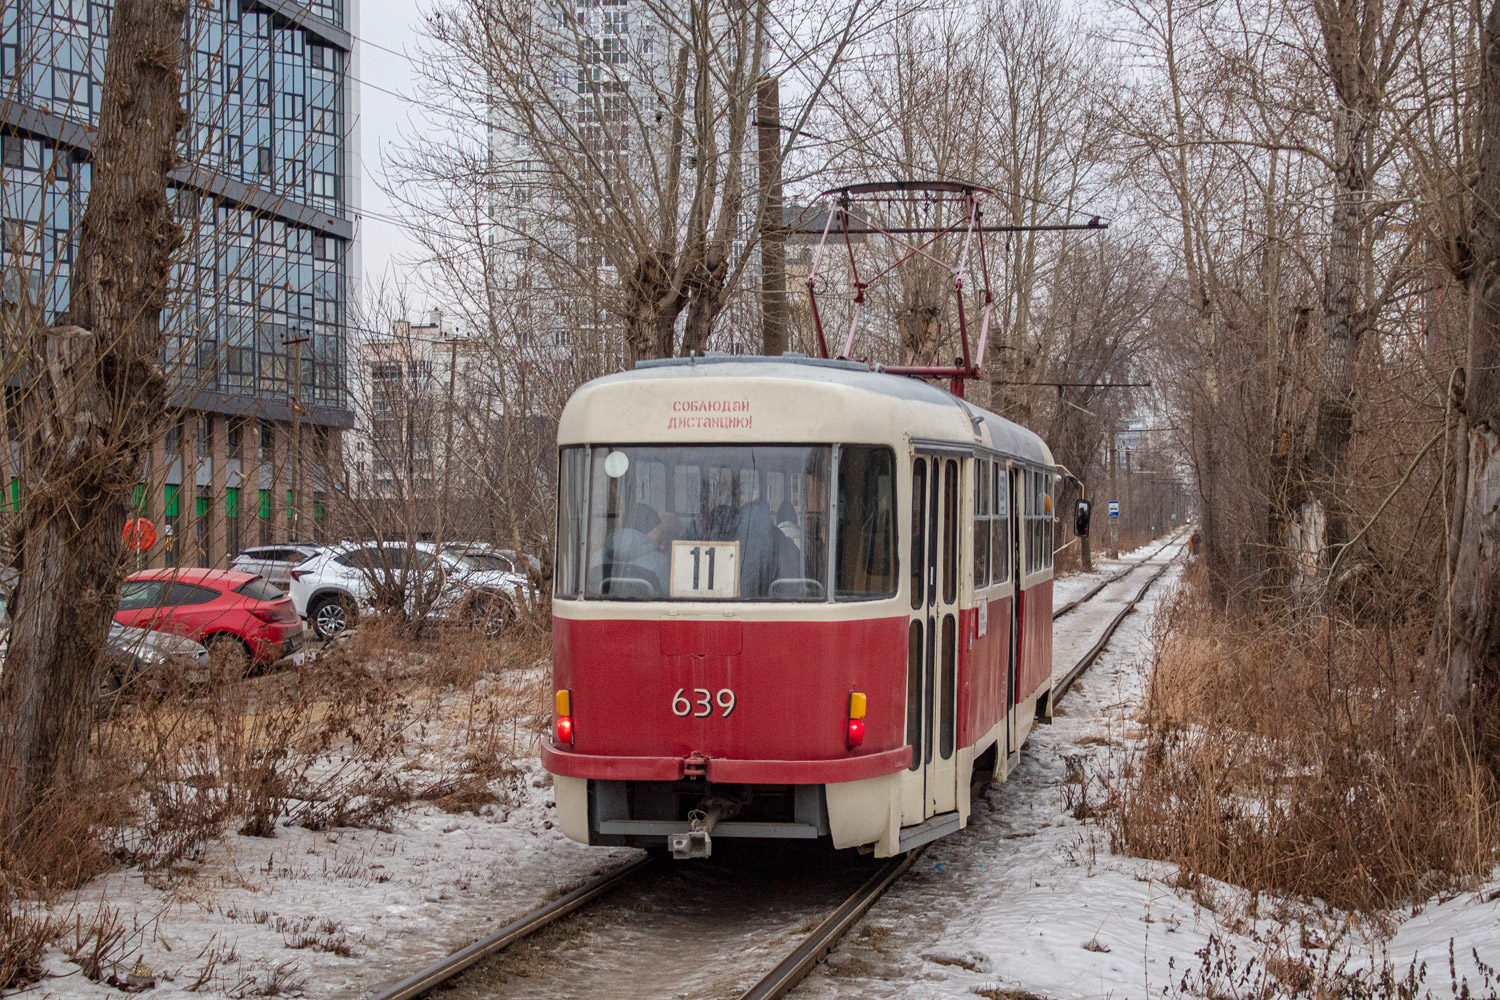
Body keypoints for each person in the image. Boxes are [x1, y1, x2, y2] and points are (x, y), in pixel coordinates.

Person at [597, 502, 669, 594]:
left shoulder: (597, 558)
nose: (660, 535)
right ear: (646, 529)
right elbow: (666, 595)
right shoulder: (659, 561)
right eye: (658, 530)